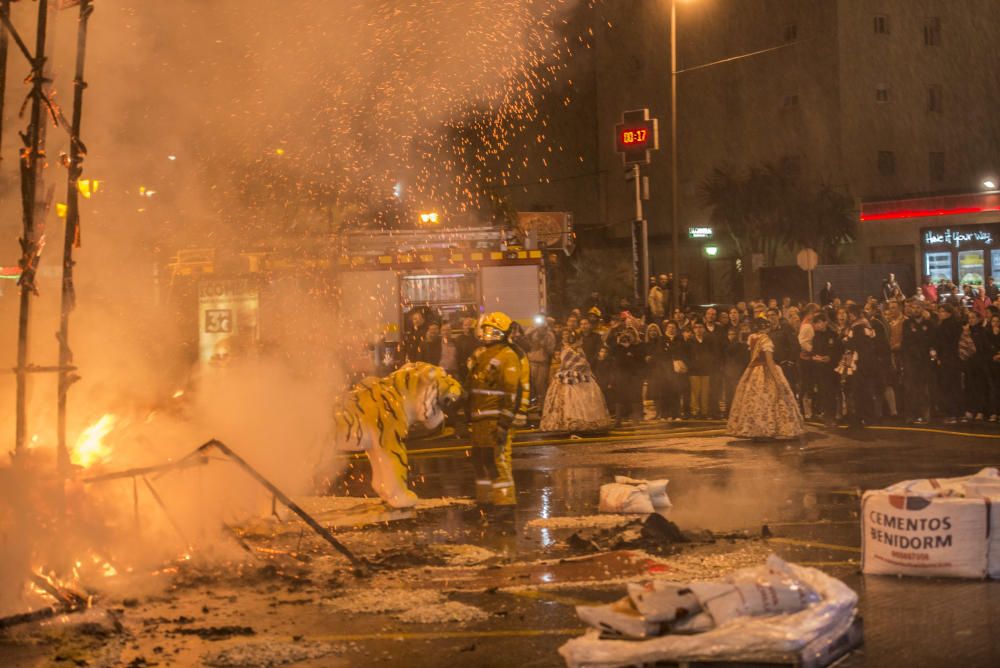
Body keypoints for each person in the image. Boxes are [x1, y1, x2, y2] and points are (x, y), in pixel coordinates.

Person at [466, 312, 530, 506]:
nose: (487, 334)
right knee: (480, 462)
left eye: (492, 331)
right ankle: (485, 501)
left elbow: (512, 392)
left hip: (496, 420)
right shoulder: (480, 354)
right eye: (485, 330)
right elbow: (472, 387)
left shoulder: (509, 356)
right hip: (479, 419)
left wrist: (504, 424)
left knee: (498, 462)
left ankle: (505, 505)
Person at [726, 319, 806, 440]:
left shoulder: (752, 337)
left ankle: (754, 429)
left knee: (754, 400)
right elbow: (769, 361)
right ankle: (768, 429)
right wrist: (777, 379)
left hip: (754, 371)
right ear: (765, 328)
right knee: (770, 399)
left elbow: (751, 357)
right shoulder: (766, 340)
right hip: (765, 371)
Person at [540, 330, 612, 432]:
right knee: (570, 400)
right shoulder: (567, 350)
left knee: (580, 399)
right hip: (570, 377)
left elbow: (585, 364)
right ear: (577, 340)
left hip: (581, 377)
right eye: (579, 340)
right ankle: (568, 422)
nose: (581, 342)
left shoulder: (579, 351)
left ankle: (581, 421)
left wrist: (583, 368)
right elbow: (566, 364)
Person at [901, 300, 934, 424]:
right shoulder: (907, 323)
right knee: (910, 389)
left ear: (922, 309)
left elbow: (931, 340)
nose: (915, 310)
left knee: (923, 388)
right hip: (910, 360)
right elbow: (906, 341)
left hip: (924, 361)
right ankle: (910, 415)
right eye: (913, 307)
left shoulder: (928, 324)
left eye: (918, 307)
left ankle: (925, 415)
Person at [933, 303, 963, 424]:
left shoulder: (947, 326)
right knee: (954, 386)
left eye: (942, 311)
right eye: (939, 311)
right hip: (952, 359)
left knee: (948, 386)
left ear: (949, 313)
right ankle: (957, 412)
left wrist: (939, 356)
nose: (940, 314)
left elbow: (944, 343)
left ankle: (951, 413)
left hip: (948, 359)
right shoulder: (952, 324)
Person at [809, 314, 841, 426]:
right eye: (815, 323)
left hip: (830, 369)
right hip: (819, 368)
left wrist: (830, 358)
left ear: (825, 322)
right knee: (822, 393)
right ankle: (826, 415)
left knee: (831, 393)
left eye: (818, 322)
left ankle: (832, 417)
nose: (816, 325)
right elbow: (813, 350)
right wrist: (814, 357)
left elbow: (837, 350)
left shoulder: (832, 335)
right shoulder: (816, 336)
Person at [523, 318, 556, 424]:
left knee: (540, 386)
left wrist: (544, 342)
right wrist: (534, 330)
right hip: (531, 362)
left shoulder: (549, 334)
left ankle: (542, 409)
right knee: (531, 386)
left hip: (543, 364)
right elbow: (525, 338)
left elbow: (551, 350)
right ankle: (531, 407)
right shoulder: (533, 331)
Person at [687, 320, 715, 418]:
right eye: (696, 327)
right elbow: (688, 356)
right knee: (695, 392)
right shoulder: (690, 341)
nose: (698, 329)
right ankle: (695, 412)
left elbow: (712, 354)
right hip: (694, 371)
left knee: (705, 393)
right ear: (694, 329)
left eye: (700, 327)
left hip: (706, 370)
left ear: (703, 329)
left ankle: (704, 412)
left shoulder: (708, 341)